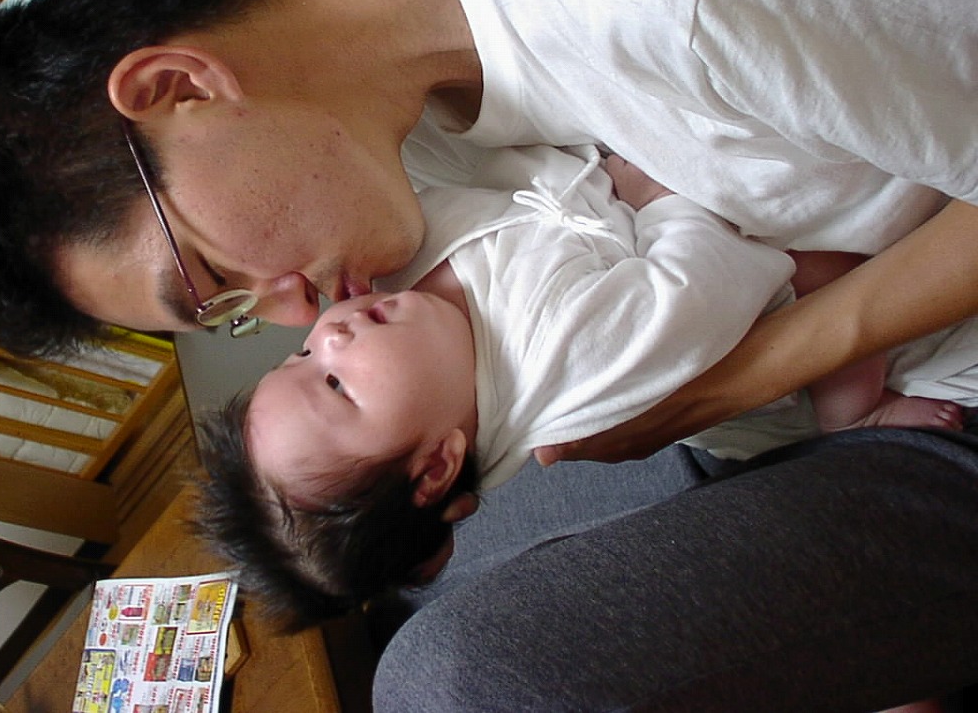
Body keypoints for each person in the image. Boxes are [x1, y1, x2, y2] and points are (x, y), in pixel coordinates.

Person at [0, 0, 978, 710]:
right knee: (385, 584)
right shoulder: (367, 78)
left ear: (179, 86)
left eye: (213, 277)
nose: (294, 316)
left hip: (931, 379)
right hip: (787, 385)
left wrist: (750, 378)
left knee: (442, 682)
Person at [194, 147, 970, 628]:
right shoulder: (570, 365)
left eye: (298, 355)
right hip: (758, 313)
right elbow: (704, 283)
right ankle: (854, 415)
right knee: (825, 265)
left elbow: (488, 180)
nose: (329, 335)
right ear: (435, 466)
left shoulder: (405, 300)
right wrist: (657, 194)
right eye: (336, 385)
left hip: (594, 188)